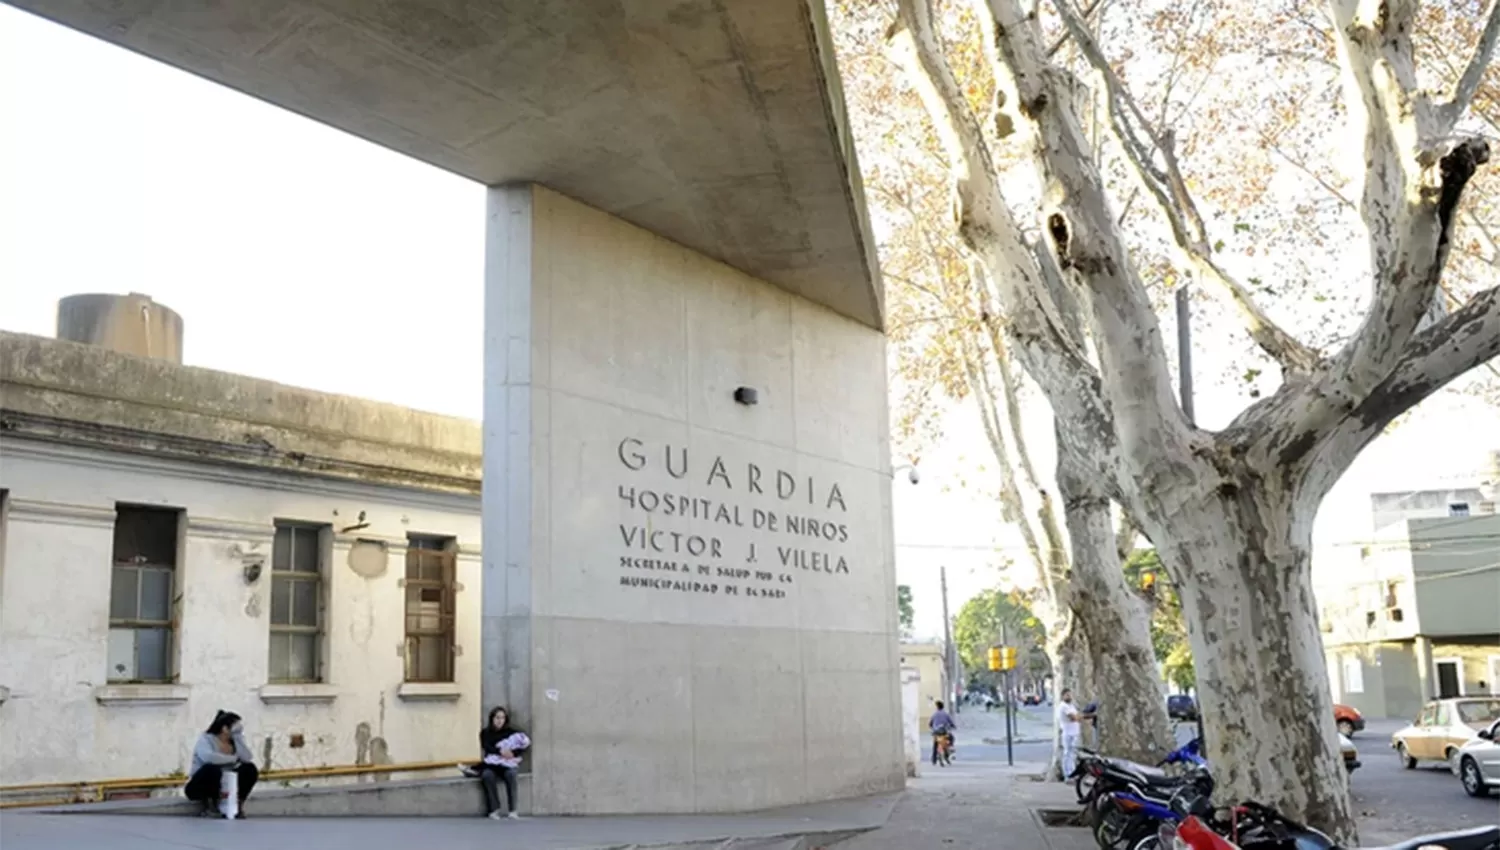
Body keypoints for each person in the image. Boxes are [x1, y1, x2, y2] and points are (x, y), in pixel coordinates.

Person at [184, 710, 258, 817]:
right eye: (235, 726)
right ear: (224, 728)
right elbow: (208, 757)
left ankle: (238, 804)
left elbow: (247, 758)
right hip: (201, 785)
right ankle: (211, 805)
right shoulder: (206, 739)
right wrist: (233, 759)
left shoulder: (235, 741)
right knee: (211, 769)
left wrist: (238, 738)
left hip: (227, 784)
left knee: (249, 768)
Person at [476, 706, 530, 820]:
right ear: (492, 719)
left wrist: (512, 753)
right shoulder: (486, 733)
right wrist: (500, 751)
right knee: (487, 775)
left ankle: (513, 810)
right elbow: (487, 746)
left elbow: (523, 746)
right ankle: (494, 809)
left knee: (511, 774)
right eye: (497, 718)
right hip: (492, 764)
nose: (500, 720)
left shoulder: (511, 732)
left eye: (502, 718)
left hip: (508, 763)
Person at [1057, 689, 1084, 781]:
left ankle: (1072, 773)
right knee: (1067, 754)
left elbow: (1078, 717)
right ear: (1063, 696)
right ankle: (1067, 775)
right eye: (1067, 695)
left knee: (1072, 754)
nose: (1069, 697)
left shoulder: (1071, 706)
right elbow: (1074, 718)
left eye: (1070, 695)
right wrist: (1082, 717)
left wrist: (1079, 717)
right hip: (1068, 733)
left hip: (1074, 732)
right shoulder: (1063, 706)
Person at [929, 700, 955, 765]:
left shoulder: (934, 714)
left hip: (936, 732)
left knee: (935, 745)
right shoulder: (946, 714)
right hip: (944, 732)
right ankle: (951, 746)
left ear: (937, 707)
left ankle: (934, 760)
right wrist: (953, 726)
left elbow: (930, 723)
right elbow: (951, 722)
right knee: (951, 738)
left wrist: (932, 727)